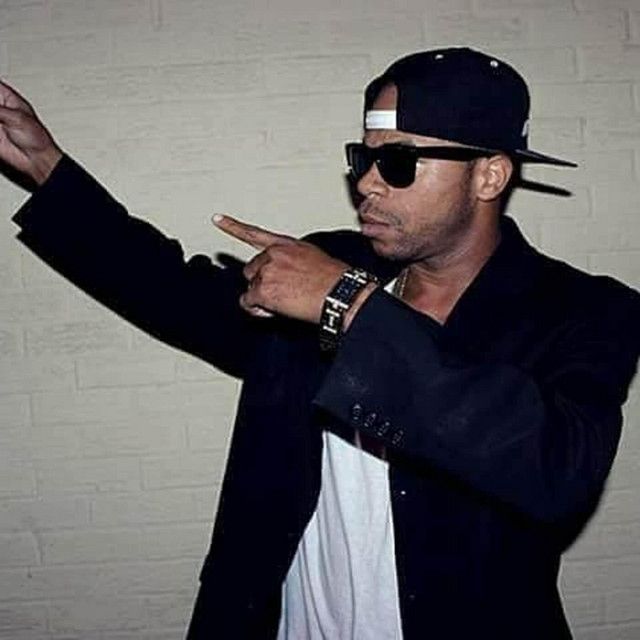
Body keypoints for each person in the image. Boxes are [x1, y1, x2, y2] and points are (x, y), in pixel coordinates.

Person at [1, 47, 639, 640]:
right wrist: (47, 170)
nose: (366, 184)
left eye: (398, 163)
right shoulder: (329, 265)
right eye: (363, 158)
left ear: (489, 176)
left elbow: (559, 470)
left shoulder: (582, 311)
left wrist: (350, 307)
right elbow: (172, 292)